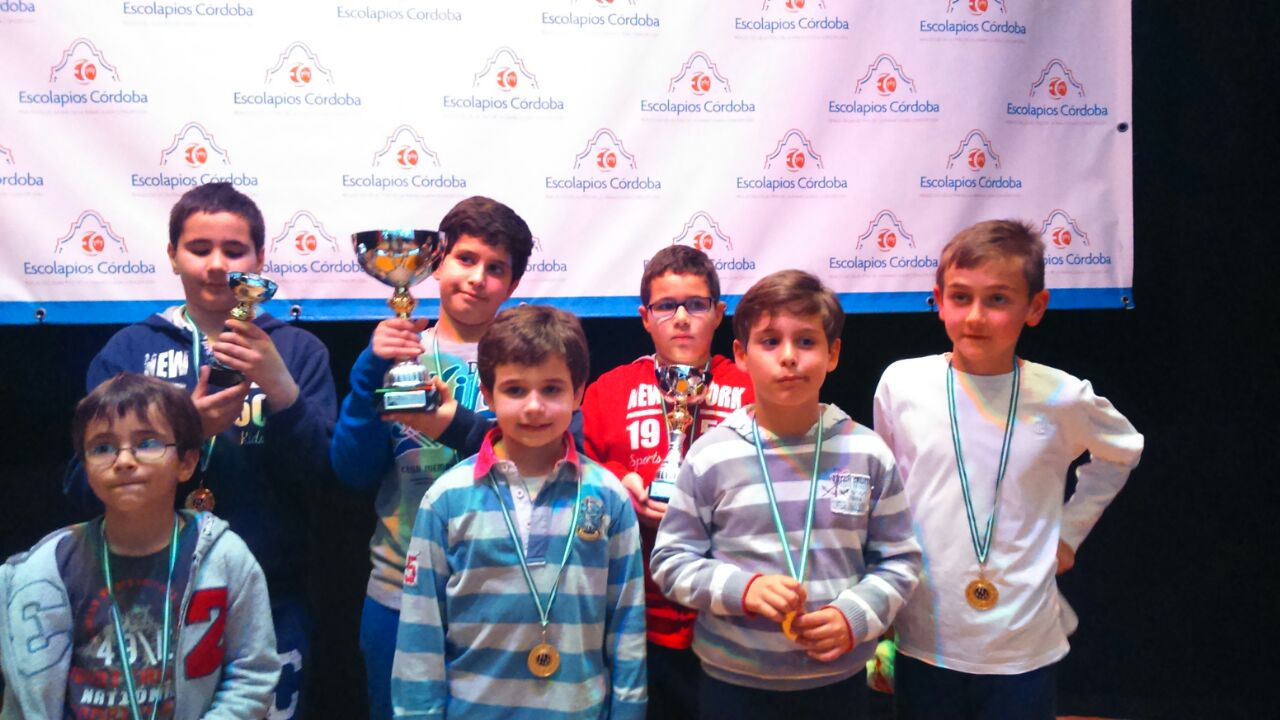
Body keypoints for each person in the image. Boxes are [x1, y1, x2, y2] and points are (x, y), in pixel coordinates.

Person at [63, 181, 335, 719]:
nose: (216, 265)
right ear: (172, 255)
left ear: (259, 260)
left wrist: (282, 391)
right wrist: (185, 431)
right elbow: (79, 487)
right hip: (144, 593)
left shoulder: (298, 350)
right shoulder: (130, 350)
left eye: (234, 251)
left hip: (271, 590)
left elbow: (327, 482)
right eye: (199, 248)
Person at [872, 220, 1144, 720]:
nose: (976, 316)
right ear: (939, 300)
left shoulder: (1061, 396)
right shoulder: (902, 384)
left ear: (1034, 308)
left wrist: (1069, 533)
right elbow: (890, 494)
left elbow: (1123, 450)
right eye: (961, 297)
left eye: (998, 299)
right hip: (926, 630)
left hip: (1021, 639)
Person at [650, 270, 921, 720]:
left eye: (807, 341)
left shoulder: (867, 452)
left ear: (833, 354)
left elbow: (901, 561)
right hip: (733, 686)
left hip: (838, 685)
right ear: (741, 354)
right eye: (770, 341)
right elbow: (671, 561)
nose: (789, 357)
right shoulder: (711, 456)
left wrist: (854, 615)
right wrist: (743, 589)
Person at [329, 196, 534, 720]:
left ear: (512, 285)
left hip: (503, 594)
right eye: (465, 259)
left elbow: (540, 469)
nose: (477, 278)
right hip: (399, 591)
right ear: (436, 263)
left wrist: (454, 426)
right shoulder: (395, 354)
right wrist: (369, 373)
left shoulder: (529, 365)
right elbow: (352, 471)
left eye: (496, 268)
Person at [392, 305, 646, 718]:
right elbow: (420, 633)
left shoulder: (608, 497)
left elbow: (628, 624)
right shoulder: (446, 499)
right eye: (514, 390)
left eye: (552, 389)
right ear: (487, 394)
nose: (533, 407)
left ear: (578, 393)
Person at [2, 373, 281, 718]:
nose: (123, 460)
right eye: (102, 448)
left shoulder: (225, 558)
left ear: (186, 462)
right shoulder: (48, 568)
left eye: (147, 443)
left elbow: (252, 673)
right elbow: (21, 696)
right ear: (85, 467)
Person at [579, 244, 753, 719]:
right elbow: (579, 470)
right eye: (666, 306)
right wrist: (620, 486)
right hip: (636, 613)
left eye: (695, 305)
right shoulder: (608, 390)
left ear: (718, 313)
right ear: (644, 317)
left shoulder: (750, 387)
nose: (681, 318)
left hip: (728, 611)